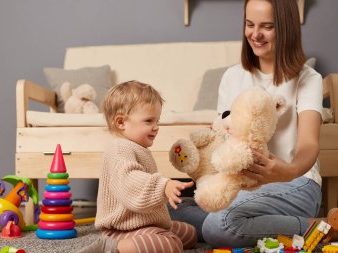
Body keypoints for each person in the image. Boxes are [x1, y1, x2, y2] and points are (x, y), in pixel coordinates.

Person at [168, 0, 338, 248]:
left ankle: (321, 226)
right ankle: (258, 221)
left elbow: (309, 145)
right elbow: (223, 137)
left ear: (286, 28)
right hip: (242, 185)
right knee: (166, 210)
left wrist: (287, 171)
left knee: (219, 224)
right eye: (249, 24)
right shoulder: (232, 77)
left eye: (267, 26)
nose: (255, 34)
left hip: (295, 182)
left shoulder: (306, 79)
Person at [77, 80, 197, 253]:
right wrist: (163, 186)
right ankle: (111, 248)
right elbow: (131, 183)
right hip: (122, 229)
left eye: (157, 121)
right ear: (121, 122)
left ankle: (144, 241)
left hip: (143, 222)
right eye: (148, 121)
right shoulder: (119, 148)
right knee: (172, 244)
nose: (156, 127)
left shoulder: (136, 147)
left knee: (189, 233)